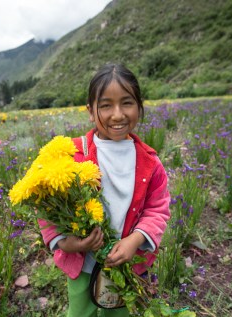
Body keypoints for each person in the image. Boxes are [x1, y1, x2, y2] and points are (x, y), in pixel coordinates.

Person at [39, 63, 171, 317]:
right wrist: (66, 243)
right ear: (91, 111)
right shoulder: (72, 155)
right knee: (80, 312)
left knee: (118, 312)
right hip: (84, 264)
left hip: (128, 265)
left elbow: (158, 209)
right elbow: (46, 206)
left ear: (139, 107)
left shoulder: (150, 163)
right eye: (106, 105)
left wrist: (135, 240)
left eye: (127, 103)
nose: (118, 114)